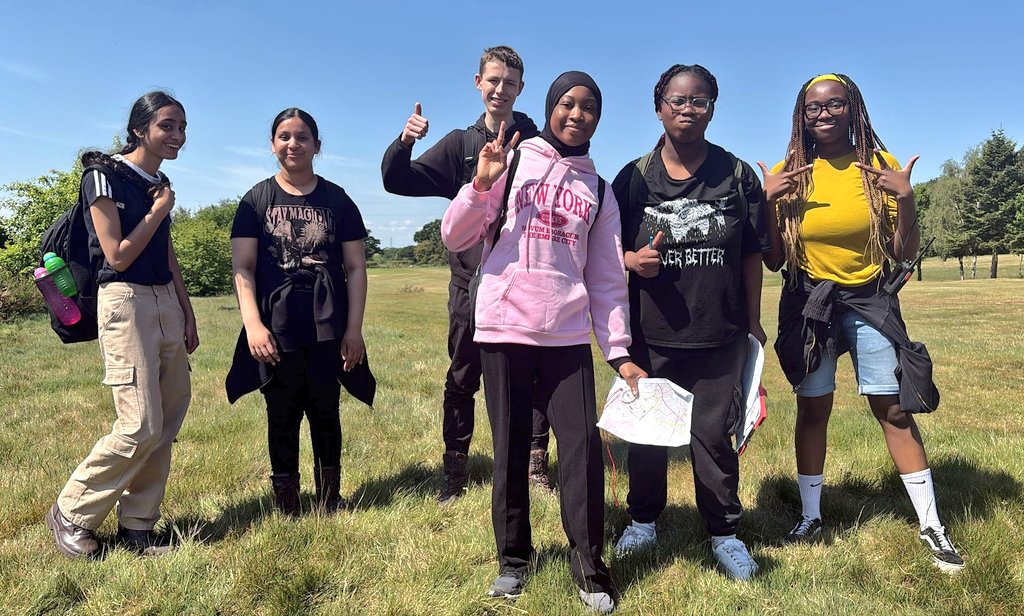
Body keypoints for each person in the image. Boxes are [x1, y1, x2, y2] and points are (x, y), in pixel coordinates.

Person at [442, 70, 644, 615]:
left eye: (590, 109)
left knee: (580, 454)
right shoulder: (512, 163)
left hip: (567, 336)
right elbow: (456, 237)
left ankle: (590, 567)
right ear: (552, 106)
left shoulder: (598, 191)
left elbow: (605, 278)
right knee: (509, 448)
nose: (577, 115)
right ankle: (513, 560)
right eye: (568, 104)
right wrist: (481, 185)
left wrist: (619, 351)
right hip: (504, 328)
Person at [758, 73, 964, 572]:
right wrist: (768, 203)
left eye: (834, 104)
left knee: (892, 409)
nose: (823, 113)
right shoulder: (792, 171)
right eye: (813, 107)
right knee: (813, 408)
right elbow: (773, 260)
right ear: (801, 115)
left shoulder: (879, 167)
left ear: (853, 108)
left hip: (870, 300)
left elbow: (904, 252)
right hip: (811, 302)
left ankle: (931, 525)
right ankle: (811, 517)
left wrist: (907, 197)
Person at [609, 64, 770, 581]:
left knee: (713, 438)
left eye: (699, 101)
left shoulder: (737, 175)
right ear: (658, 106)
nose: (687, 109)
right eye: (677, 100)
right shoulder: (632, 179)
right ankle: (642, 521)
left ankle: (724, 532)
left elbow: (750, 253)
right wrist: (631, 261)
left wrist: (753, 322)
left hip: (719, 332)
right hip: (650, 335)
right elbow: (601, 251)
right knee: (649, 437)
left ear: (713, 108)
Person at [381, 46, 555, 502]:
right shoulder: (460, 143)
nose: (500, 90)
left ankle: (536, 466)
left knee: (534, 380)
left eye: (510, 83)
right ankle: (454, 473)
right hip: (472, 286)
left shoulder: (538, 143)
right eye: (493, 80)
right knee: (462, 376)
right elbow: (396, 180)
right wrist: (405, 141)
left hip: (527, 282)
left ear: (521, 89)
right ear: (477, 82)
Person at [47, 91, 198, 558]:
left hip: (163, 301)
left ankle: (138, 527)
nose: (178, 136)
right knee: (139, 424)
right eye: (167, 126)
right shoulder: (103, 176)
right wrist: (158, 211)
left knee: (168, 417)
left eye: (182, 127)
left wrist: (186, 310)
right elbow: (116, 254)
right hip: (125, 301)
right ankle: (73, 512)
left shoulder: (160, 179)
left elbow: (165, 254)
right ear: (140, 129)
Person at [229, 108, 368, 516]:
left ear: (317, 146)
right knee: (282, 412)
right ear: (273, 144)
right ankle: (287, 505)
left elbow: (356, 267)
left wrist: (354, 329)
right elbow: (244, 267)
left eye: (303, 137)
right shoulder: (255, 201)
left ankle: (329, 499)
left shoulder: (337, 200)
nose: (294, 144)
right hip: (277, 325)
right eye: (285, 137)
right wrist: (253, 325)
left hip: (328, 322)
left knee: (327, 409)